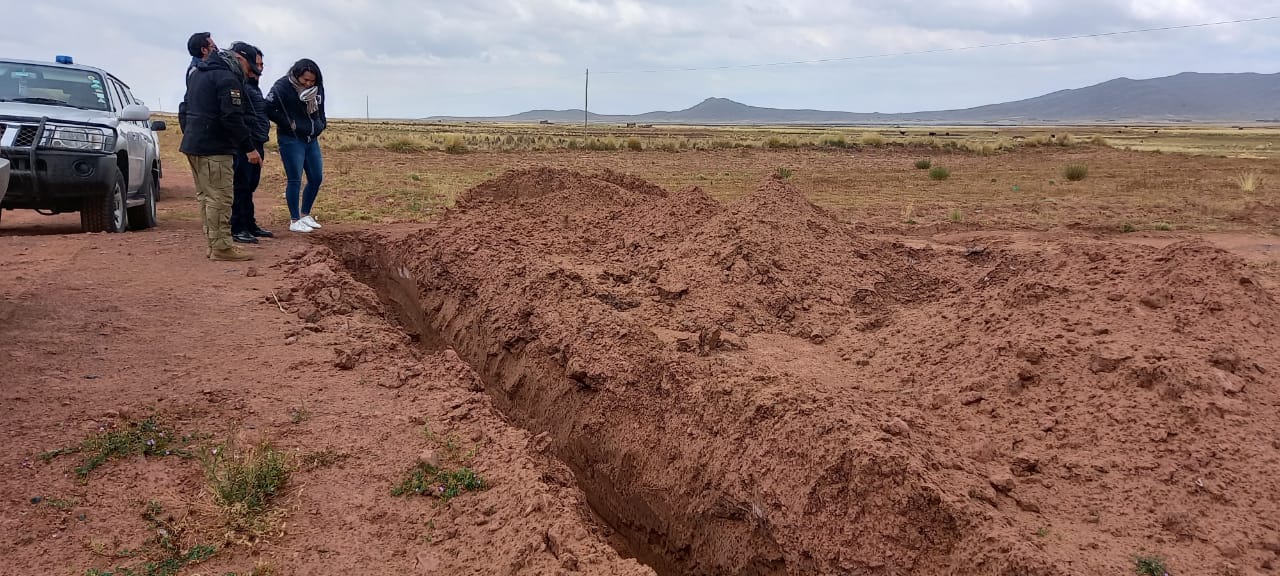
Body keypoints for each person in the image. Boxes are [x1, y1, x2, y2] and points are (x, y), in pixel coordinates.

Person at [180, 48, 260, 261]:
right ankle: (222, 247)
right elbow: (232, 117)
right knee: (220, 198)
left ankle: (214, 244)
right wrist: (249, 147)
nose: (249, 73)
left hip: (195, 145)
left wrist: (190, 134)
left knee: (207, 198)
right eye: (249, 66)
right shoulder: (227, 78)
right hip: (214, 148)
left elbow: (184, 108)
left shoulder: (198, 74)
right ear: (240, 59)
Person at [265, 58, 326, 233]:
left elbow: (321, 108)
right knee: (295, 179)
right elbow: (268, 107)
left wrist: (321, 123)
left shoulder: (318, 88)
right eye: (305, 80)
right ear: (296, 75)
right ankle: (294, 220)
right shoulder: (282, 87)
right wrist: (288, 123)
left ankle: (305, 214)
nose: (308, 84)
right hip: (291, 140)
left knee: (316, 177)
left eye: (312, 81)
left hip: (311, 139)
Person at [227, 42, 273, 244]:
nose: (259, 68)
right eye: (257, 64)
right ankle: (238, 228)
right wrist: (247, 145)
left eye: (262, 64)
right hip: (246, 144)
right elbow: (237, 116)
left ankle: (249, 224)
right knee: (241, 185)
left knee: (250, 185)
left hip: (258, 141)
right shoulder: (239, 84)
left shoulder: (253, 86)